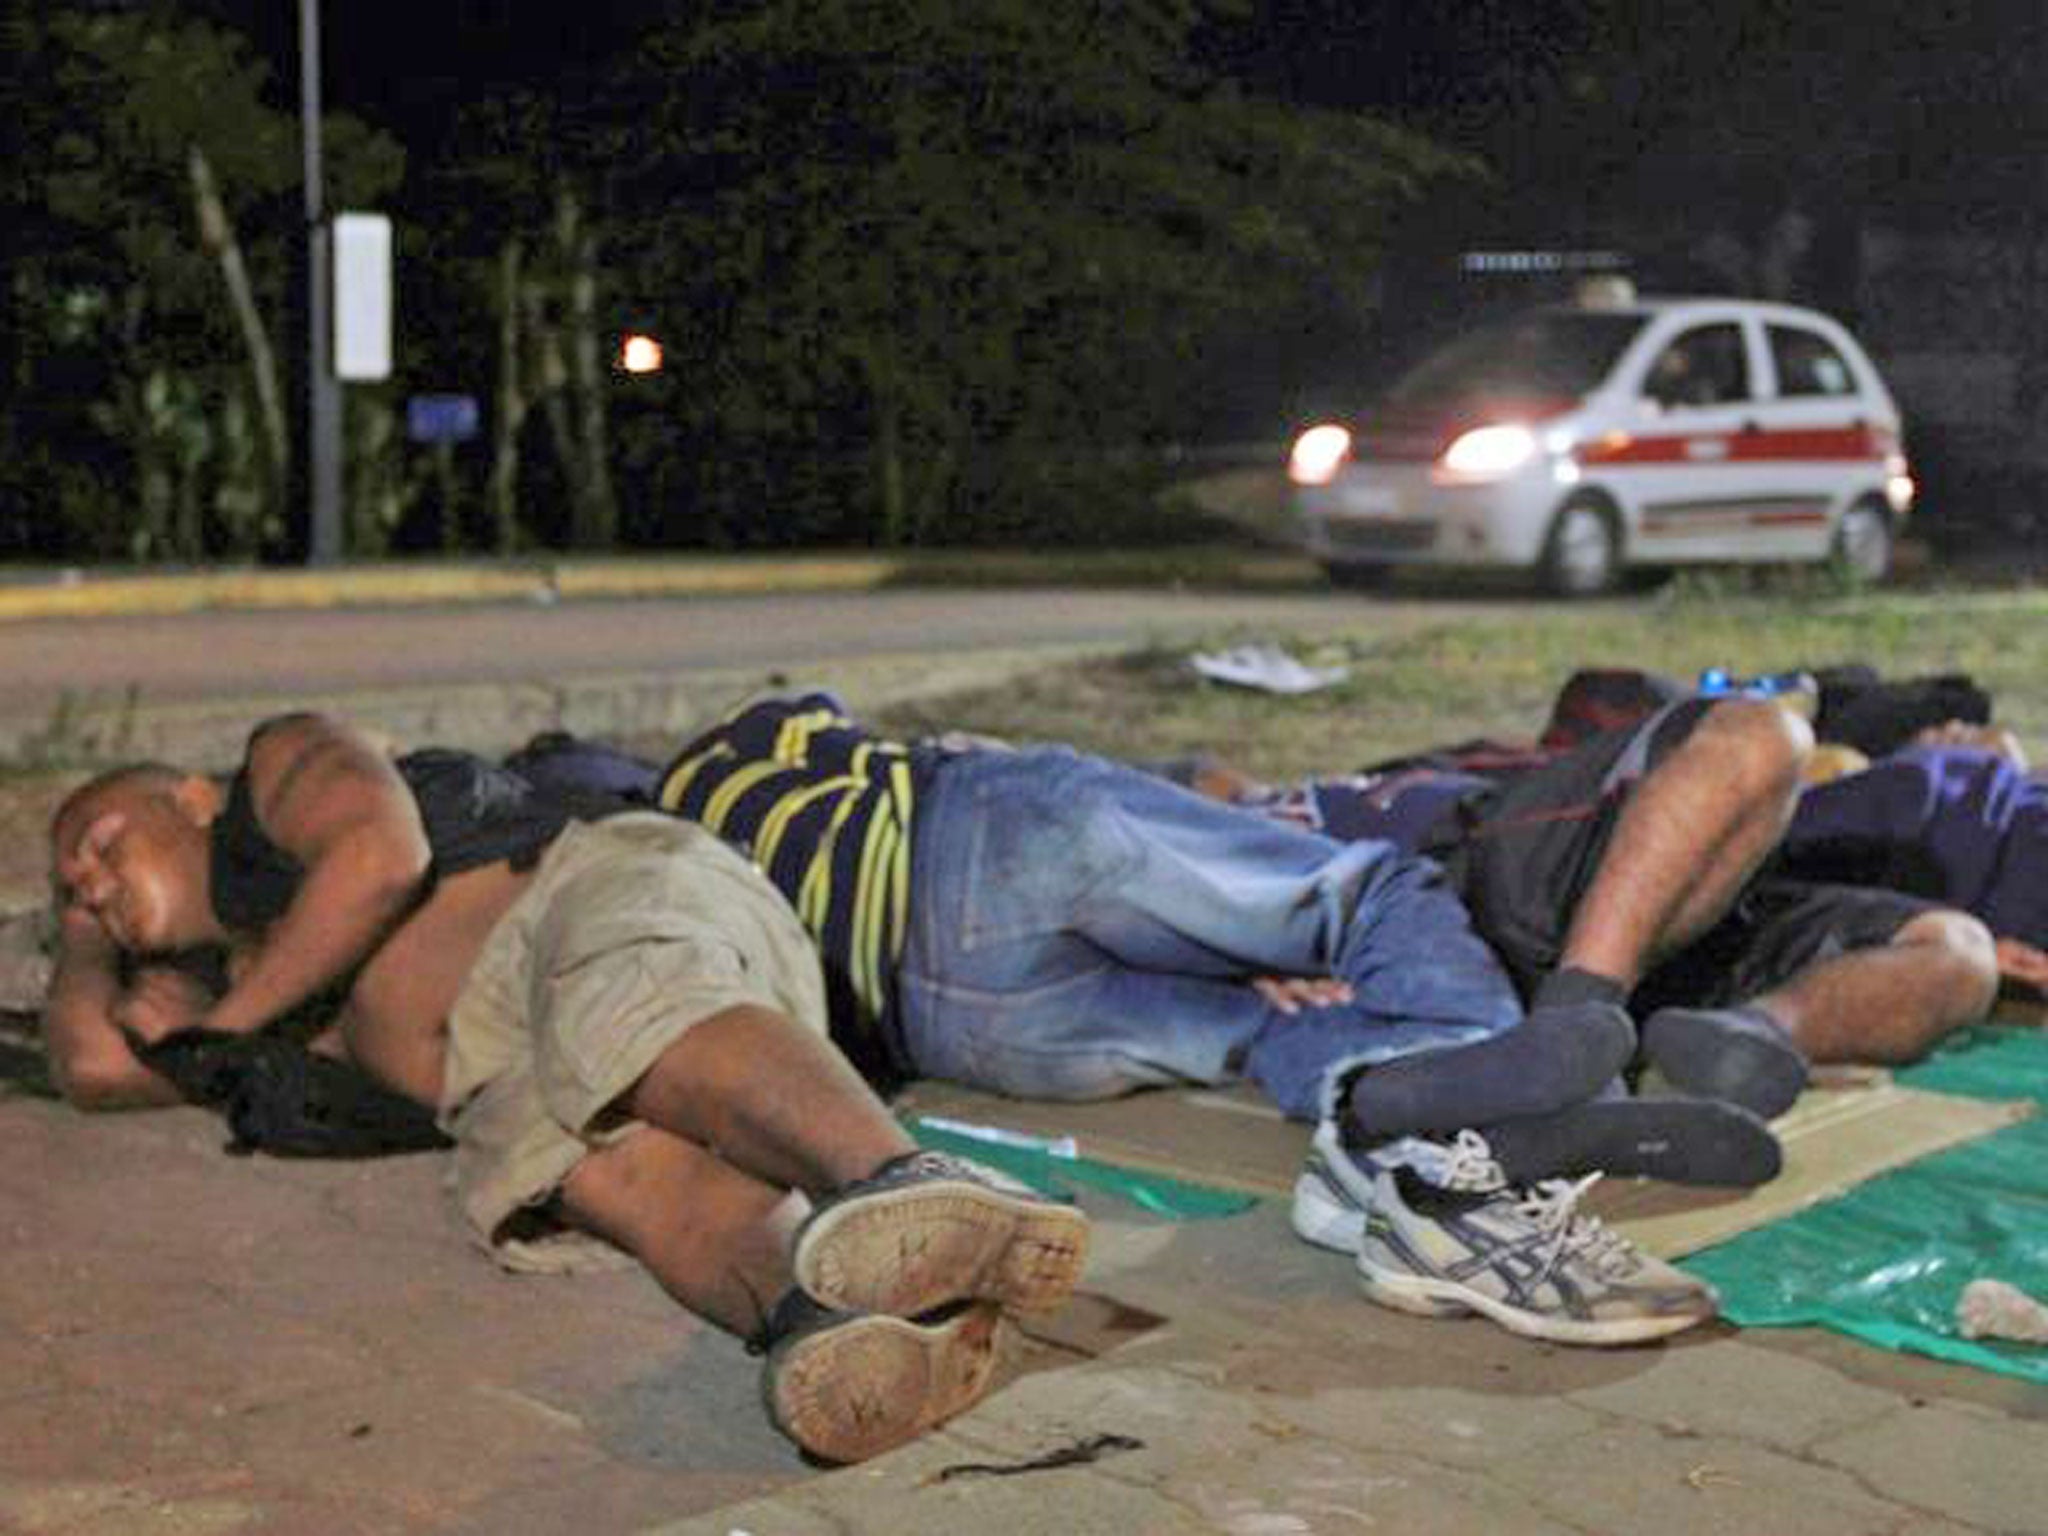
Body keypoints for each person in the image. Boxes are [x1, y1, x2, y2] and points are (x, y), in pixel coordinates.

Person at [45, 713, 1091, 1465]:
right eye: (70, 891)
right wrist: (94, 929)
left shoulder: (278, 769)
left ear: (188, 795)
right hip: (500, 1079)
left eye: (101, 842)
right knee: (628, 1189)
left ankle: (904, 1179)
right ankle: (846, 1332)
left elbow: (377, 856)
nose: (87, 883)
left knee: (621, 1016)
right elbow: (91, 1067)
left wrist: (223, 1032)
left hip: (578, 899)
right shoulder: (231, 976)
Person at [651, 691, 1815, 1346]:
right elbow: (942, 766)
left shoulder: (675, 872)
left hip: (946, 1031)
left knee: (1259, 1025)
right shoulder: (751, 741)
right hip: (979, 845)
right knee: (1369, 896)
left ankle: (1391, 1138)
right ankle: (1493, 1109)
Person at [1179, 693, 2001, 1107]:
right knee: (1765, 732)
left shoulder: (1357, 783)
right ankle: (1573, 1027)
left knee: (1961, 954)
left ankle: (1737, 1042)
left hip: (1652, 919)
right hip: (1479, 887)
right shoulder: (1233, 837)